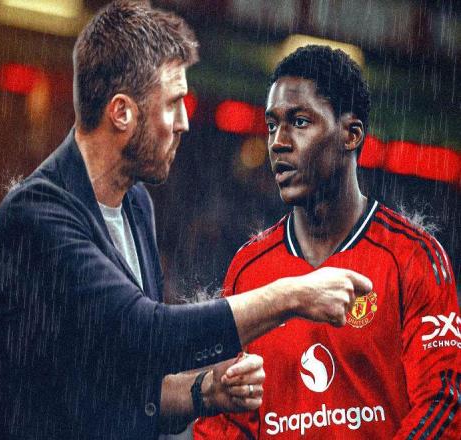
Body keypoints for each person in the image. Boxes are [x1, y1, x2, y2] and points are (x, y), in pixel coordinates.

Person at [0, 3, 374, 439]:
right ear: (122, 112)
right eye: (173, 103)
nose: (184, 122)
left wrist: (206, 391)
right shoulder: (37, 215)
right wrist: (292, 294)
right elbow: (145, 335)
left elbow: (121, 383)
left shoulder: (136, 205)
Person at [194, 45, 460, 439]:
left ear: (351, 134)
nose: (278, 142)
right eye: (272, 125)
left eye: (299, 122)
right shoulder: (248, 270)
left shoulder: (414, 258)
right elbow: (224, 424)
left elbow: (444, 403)